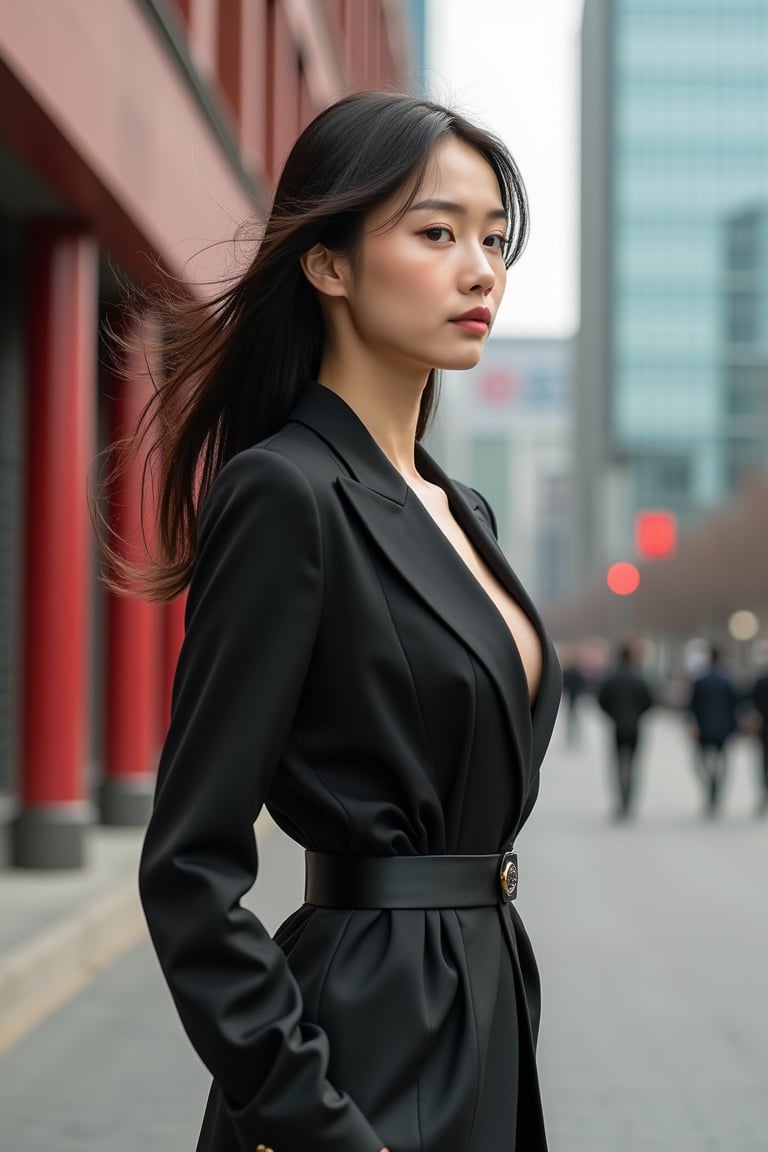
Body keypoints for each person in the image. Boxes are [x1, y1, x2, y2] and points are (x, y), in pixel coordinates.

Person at [103, 92, 562, 1152]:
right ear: (329, 264)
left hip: (486, 1004)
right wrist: (305, 1111)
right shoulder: (287, 495)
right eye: (437, 233)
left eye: (494, 240)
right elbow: (189, 867)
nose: (481, 269)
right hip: (357, 1052)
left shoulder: (466, 512)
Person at [596, 641, 653, 818]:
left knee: (618, 763)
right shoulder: (640, 679)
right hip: (635, 726)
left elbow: (601, 701)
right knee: (633, 764)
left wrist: (613, 715)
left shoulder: (611, 679)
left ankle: (620, 799)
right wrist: (637, 715)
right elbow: (649, 701)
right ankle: (629, 799)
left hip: (617, 726)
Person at [687, 643, 739, 814]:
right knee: (723, 761)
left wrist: (692, 725)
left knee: (700, 762)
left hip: (704, 727)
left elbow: (692, 706)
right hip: (724, 728)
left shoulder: (700, 681)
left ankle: (711, 787)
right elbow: (735, 705)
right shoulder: (728, 680)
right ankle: (716, 789)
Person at [748, 664, 768, 814]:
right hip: (764, 729)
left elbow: (753, 703)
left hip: (764, 729)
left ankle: (764, 793)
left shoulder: (761, 680)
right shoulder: (761, 680)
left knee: (764, 763)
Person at [560, 645, 587, 745]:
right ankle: (573, 734)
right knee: (573, 716)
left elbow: (564, 683)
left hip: (573, 696)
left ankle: (573, 734)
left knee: (573, 716)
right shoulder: (575, 671)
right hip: (574, 695)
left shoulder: (570, 671)